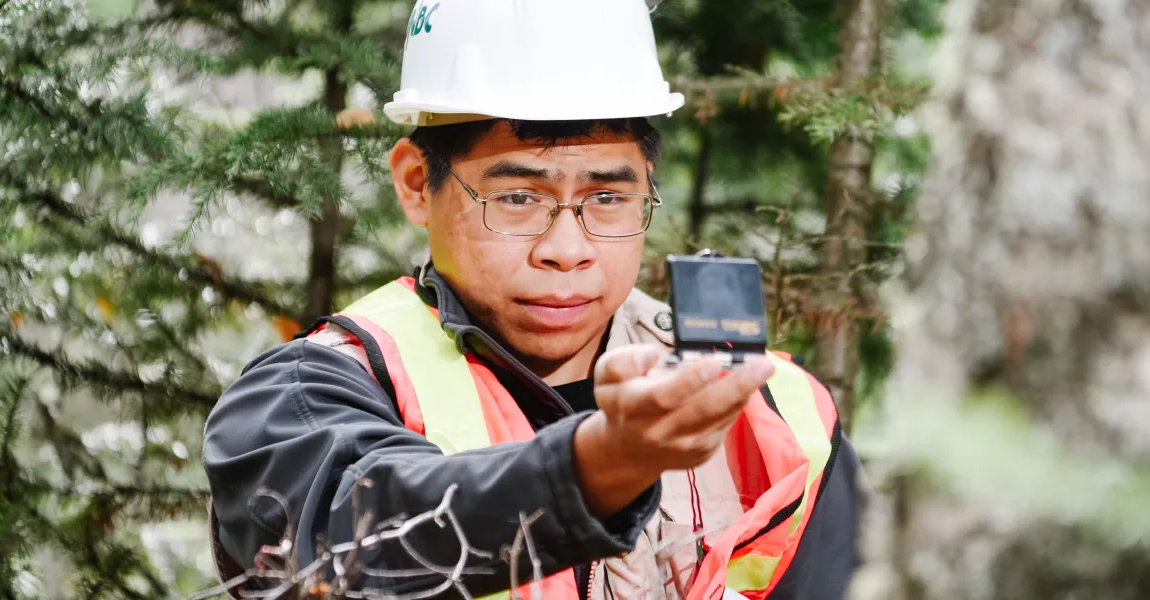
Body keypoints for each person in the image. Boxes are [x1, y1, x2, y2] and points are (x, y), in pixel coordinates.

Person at [202, 1, 866, 598]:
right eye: (518, 197)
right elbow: (352, 538)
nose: (567, 249)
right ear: (414, 183)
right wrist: (603, 464)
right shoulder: (311, 392)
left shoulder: (779, 415)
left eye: (608, 198)